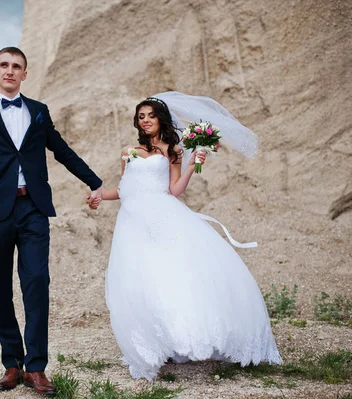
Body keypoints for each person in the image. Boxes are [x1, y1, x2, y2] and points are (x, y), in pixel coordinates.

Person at [89, 95, 282, 380]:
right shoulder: (128, 151)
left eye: (150, 115)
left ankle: (188, 335)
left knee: (173, 275)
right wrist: (98, 196)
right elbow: (122, 188)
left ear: (160, 119)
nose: (145, 120)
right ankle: (155, 344)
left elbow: (174, 190)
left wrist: (192, 165)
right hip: (133, 222)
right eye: (141, 116)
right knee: (141, 280)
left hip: (164, 215)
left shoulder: (173, 150)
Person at [0, 46, 102, 394]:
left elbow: (61, 149)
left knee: (36, 283)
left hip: (33, 208)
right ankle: (11, 363)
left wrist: (94, 181)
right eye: (4, 65)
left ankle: (36, 367)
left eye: (16, 66)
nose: (10, 70)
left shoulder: (38, 111)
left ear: (25, 73)